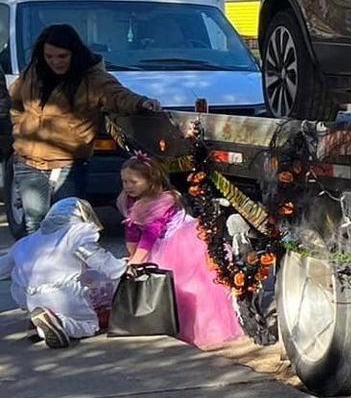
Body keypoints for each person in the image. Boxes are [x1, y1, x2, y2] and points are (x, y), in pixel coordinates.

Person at [8, 24, 162, 233]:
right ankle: (33, 266)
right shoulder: (32, 73)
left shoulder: (93, 79)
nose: (55, 62)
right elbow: (15, 101)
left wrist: (141, 103)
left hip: (68, 163)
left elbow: (117, 95)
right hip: (28, 161)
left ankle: (61, 265)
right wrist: (19, 127)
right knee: (33, 224)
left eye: (62, 56)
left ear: (75, 53)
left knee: (66, 225)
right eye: (50, 56)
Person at [118, 155, 244, 349]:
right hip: (159, 245)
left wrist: (137, 260)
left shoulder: (163, 201)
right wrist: (133, 255)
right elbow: (133, 230)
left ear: (151, 180)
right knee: (166, 289)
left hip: (182, 243)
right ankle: (165, 322)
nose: (128, 186)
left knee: (191, 288)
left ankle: (204, 327)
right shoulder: (128, 200)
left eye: (133, 181)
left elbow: (150, 235)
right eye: (124, 181)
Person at [5, 197, 125, 347]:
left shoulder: (26, 242)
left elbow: (3, 268)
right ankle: (59, 324)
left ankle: (40, 322)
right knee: (88, 325)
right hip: (64, 294)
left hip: (30, 299)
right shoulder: (77, 232)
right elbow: (97, 259)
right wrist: (121, 268)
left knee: (90, 275)